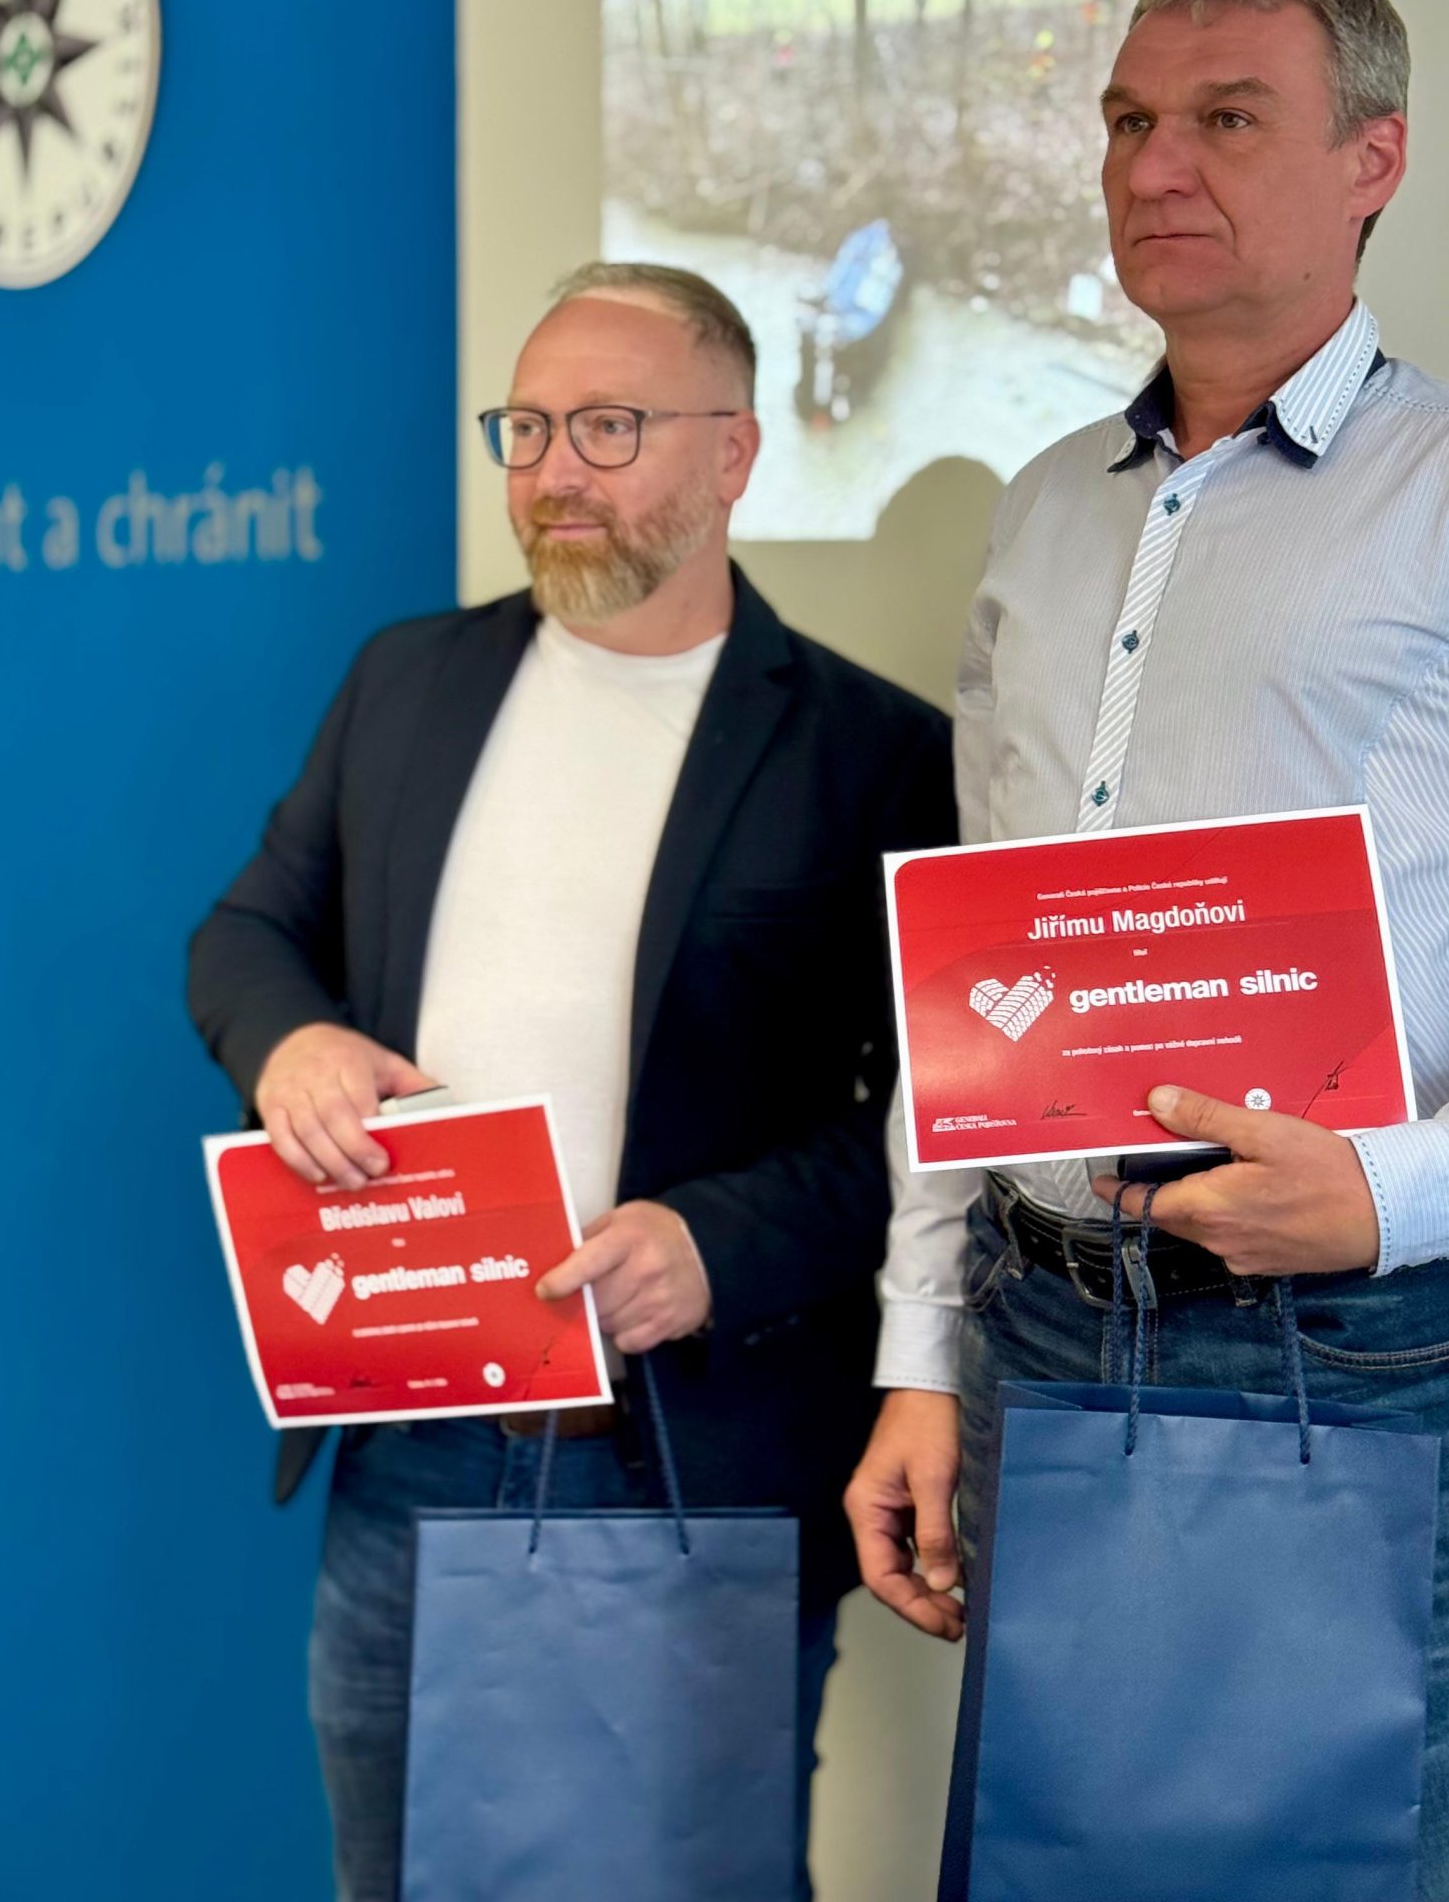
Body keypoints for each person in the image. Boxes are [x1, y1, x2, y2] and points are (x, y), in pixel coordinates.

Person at [843, 0, 1449, 1902]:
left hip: (1345, 1359)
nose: (1154, 165)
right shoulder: (1044, 509)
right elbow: (974, 988)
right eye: (1128, 122)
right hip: (1038, 1340)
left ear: (1375, 158)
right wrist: (922, 1350)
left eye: (1226, 118)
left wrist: (1399, 1186)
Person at [190, 262, 955, 1902]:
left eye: (608, 427)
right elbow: (248, 934)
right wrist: (289, 1042)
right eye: (526, 429)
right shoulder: (407, 681)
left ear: (735, 452)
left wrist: (717, 1244)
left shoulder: (869, 751)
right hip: (409, 1431)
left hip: (679, 1449)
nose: (554, 471)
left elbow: (932, 1119)